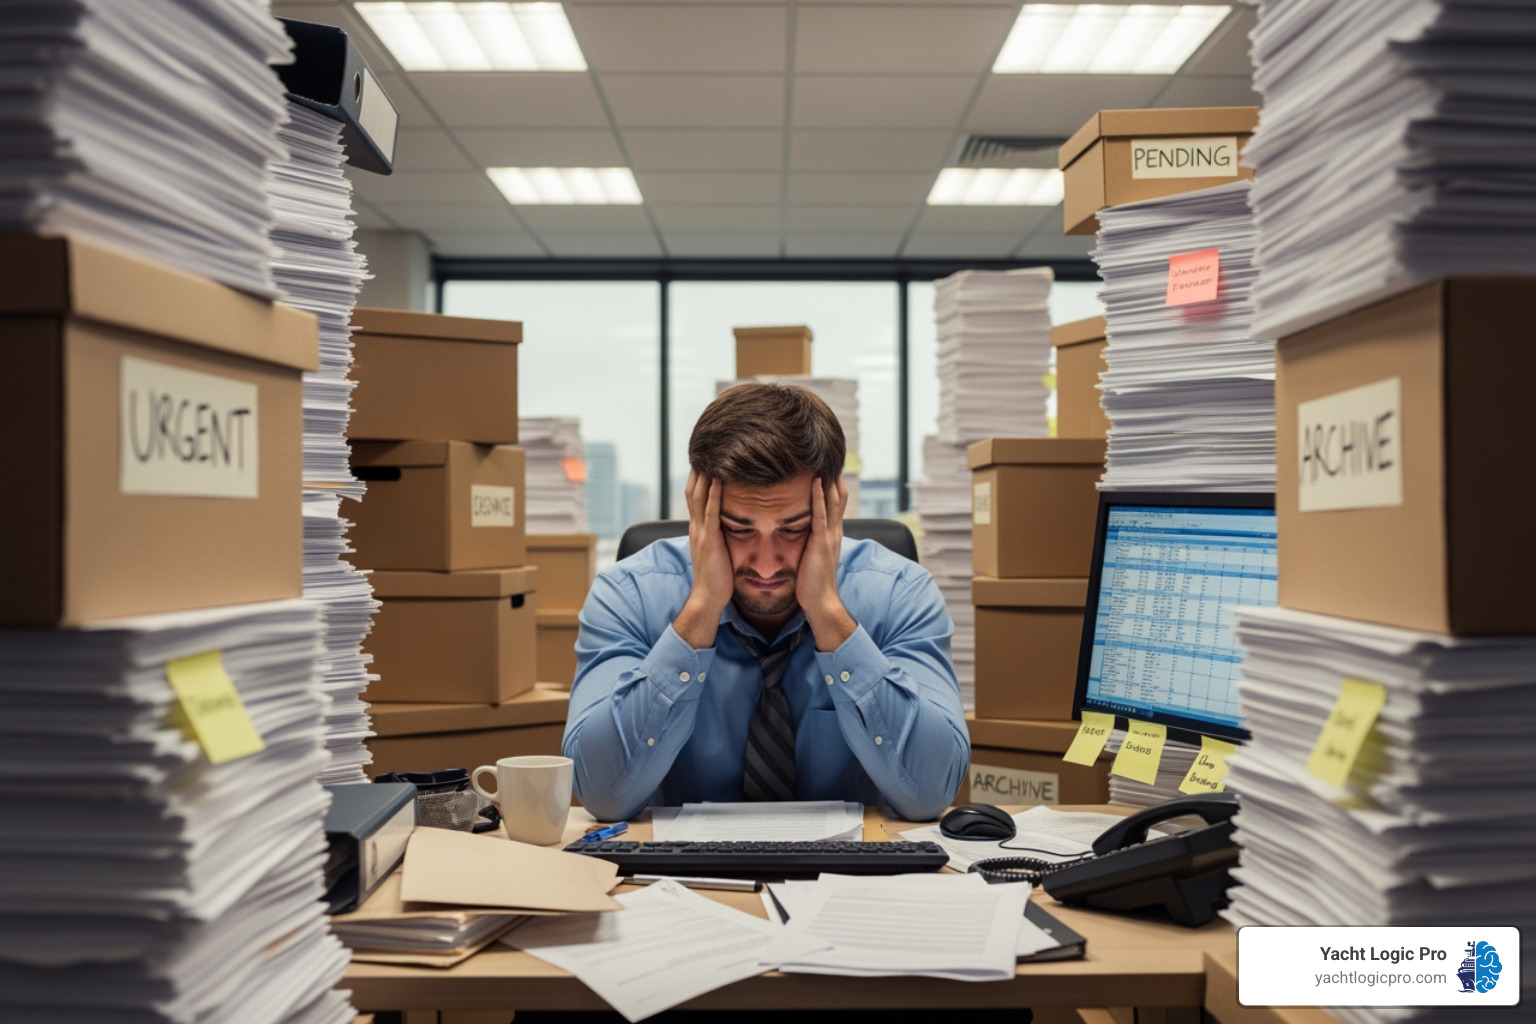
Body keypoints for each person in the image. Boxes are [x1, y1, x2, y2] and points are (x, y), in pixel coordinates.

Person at [563, 382, 969, 822]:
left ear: (832, 507)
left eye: (793, 529)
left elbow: (931, 791)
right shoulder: (629, 595)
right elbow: (601, 793)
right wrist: (700, 608)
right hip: (678, 882)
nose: (767, 563)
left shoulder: (899, 593)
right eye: (739, 529)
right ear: (700, 508)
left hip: (851, 877)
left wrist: (829, 613)